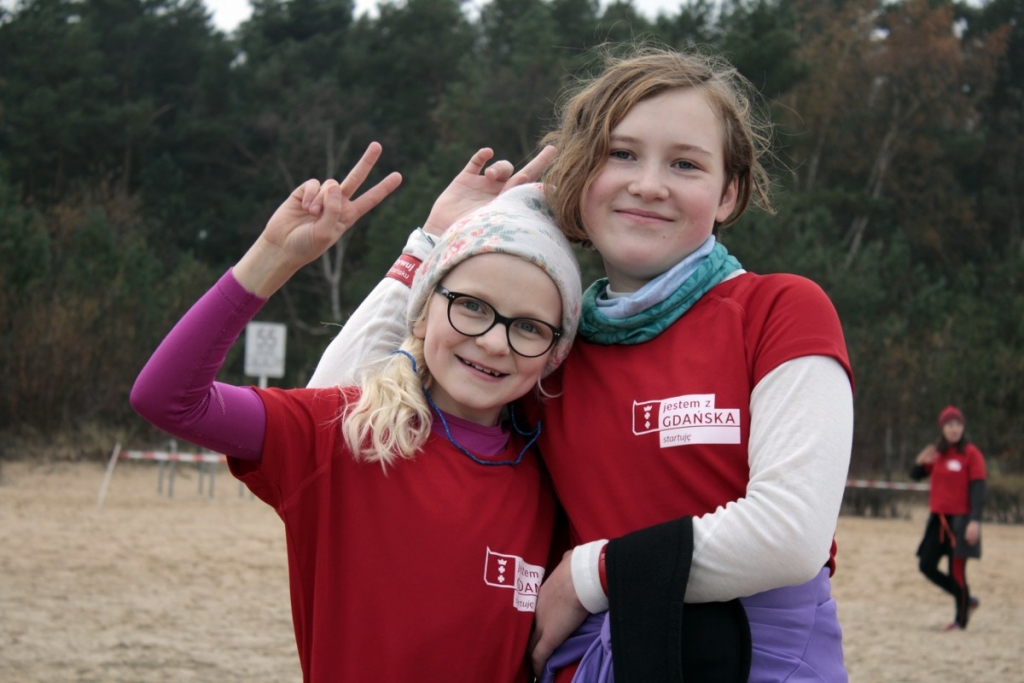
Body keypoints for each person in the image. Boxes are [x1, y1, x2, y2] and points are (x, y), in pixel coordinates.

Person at [310, 45, 855, 683]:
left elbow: (790, 536)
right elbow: (337, 421)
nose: (648, 184)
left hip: (756, 664)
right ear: (580, 174)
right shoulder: (544, 346)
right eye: (621, 154)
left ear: (729, 194)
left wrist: (591, 573)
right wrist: (431, 246)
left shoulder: (779, 309)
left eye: (685, 163)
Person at [130, 142, 585, 682]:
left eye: (529, 327)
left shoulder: (551, 481)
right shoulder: (345, 435)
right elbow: (169, 398)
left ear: (554, 353)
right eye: (471, 306)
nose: (492, 341)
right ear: (422, 312)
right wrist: (274, 256)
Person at [910, 405, 986, 631]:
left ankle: (960, 622)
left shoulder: (971, 453)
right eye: (950, 425)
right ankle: (967, 600)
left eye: (958, 425)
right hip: (938, 520)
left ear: (963, 427)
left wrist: (975, 521)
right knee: (926, 565)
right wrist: (920, 461)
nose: (954, 429)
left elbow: (979, 489)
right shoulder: (938, 453)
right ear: (942, 428)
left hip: (961, 522)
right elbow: (915, 476)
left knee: (957, 572)